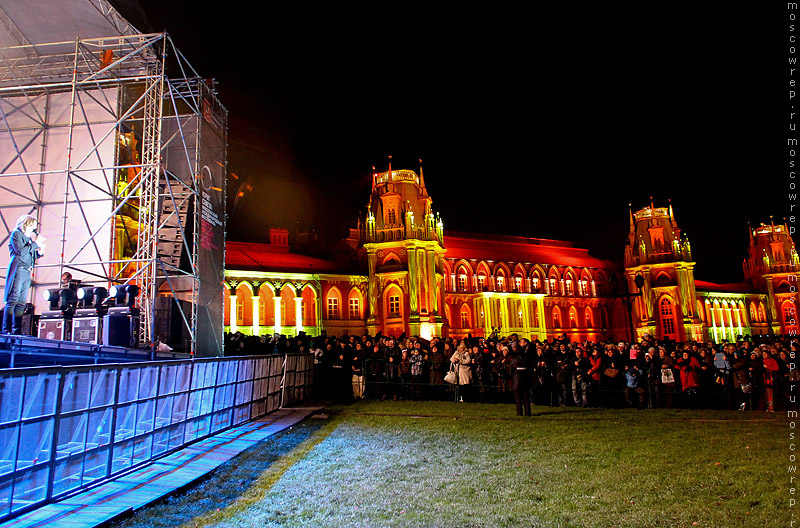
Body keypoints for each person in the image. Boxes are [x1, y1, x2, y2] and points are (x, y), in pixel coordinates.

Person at [3, 214, 44, 334]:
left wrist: (39, 252)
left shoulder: (29, 238)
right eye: (33, 226)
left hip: (26, 271)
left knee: (21, 302)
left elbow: (29, 255)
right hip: (18, 270)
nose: (34, 229)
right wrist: (35, 244)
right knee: (13, 299)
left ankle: (17, 330)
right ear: (27, 224)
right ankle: (6, 329)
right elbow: (20, 252)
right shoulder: (16, 234)